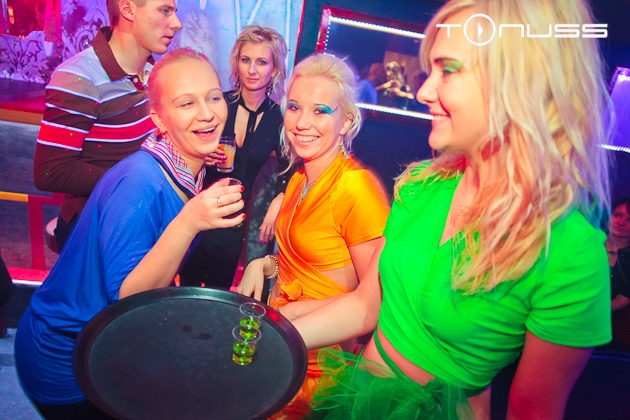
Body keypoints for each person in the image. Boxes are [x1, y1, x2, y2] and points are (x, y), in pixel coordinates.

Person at [283, 0, 613, 418]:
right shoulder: (422, 186)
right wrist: (272, 336)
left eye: (449, 71)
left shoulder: (569, 250)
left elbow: (532, 410)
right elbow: (365, 306)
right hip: (353, 400)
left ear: (518, 83)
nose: (423, 91)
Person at [15, 48, 245, 419]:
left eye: (213, 97)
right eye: (187, 103)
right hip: (66, 357)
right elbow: (128, 299)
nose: (207, 113)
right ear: (159, 119)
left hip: (108, 342)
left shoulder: (185, 168)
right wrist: (189, 221)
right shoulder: (141, 182)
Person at [237, 53, 390, 419]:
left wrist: (294, 316)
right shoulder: (298, 180)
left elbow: (377, 302)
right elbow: (304, 267)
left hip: (318, 373)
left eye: (320, 111)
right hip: (278, 350)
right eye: (294, 107)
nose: (302, 122)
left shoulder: (356, 189)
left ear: (346, 121)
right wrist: (264, 264)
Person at [33, 0, 182, 250]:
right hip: (95, 231)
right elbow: (51, 172)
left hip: (138, 223)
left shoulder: (152, 71)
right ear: (128, 9)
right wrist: (140, 181)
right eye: (165, 11)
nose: (177, 24)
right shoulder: (80, 76)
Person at [180, 25, 291, 289]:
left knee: (218, 296)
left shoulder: (277, 118)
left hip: (232, 222)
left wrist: (280, 198)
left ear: (274, 69)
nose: (252, 70)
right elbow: (181, 146)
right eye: (246, 60)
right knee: (184, 291)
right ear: (237, 63)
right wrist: (200, 156)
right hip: (197, 211)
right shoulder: (218, 104)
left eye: (261, 62)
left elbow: (291, 168)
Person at [608, 198, 630, 311]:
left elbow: (622, 299)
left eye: (629, 220)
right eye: (617, 215)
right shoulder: (589, 244)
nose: (621, 222)